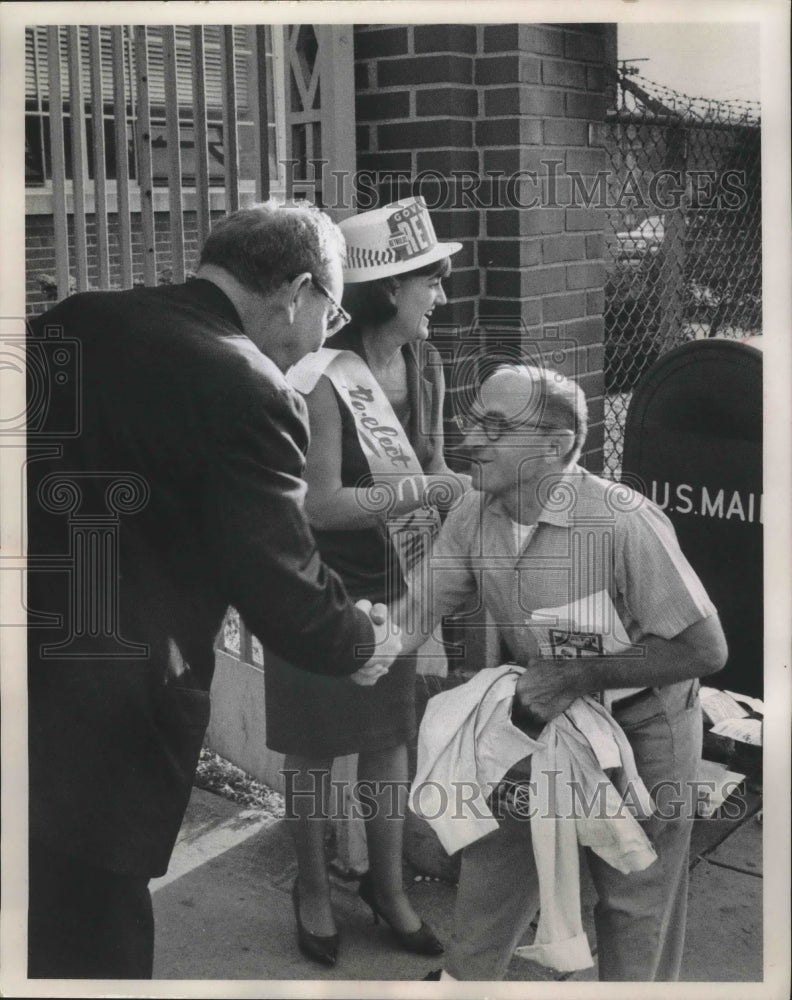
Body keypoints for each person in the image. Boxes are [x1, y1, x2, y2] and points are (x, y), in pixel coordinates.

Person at [25, 201, 402, 980]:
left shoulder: (76, 319)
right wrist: (363, 640)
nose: (323, 337)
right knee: (95, 937)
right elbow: (280, 587)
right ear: (298, 290)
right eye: (328, 316)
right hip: (114, 711)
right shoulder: (252, 387)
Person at [398, 363, 727, 982]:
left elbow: (705, 649)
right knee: (492, 872)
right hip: (532, 719)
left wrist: (577, 677)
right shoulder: (474, 510)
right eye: (473, 420)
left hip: (641, 729)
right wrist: (373, 644)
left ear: (557, 445)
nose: (471, 438)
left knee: (634, 903)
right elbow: (420, 606)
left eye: (495, 426)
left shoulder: (624, 521)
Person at [263, 197, 467, 966]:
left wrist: (463, 495)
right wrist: (423, 493)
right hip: (316, 586)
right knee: (316, 752)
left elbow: (437, 468)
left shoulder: (428, 361)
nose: (440, 296)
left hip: (397, 580)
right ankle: (312, 890)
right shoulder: (321, 378)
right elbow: (318, 505)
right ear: (389, 287)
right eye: (430, 282)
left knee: (387, 744)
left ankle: (388, 889)